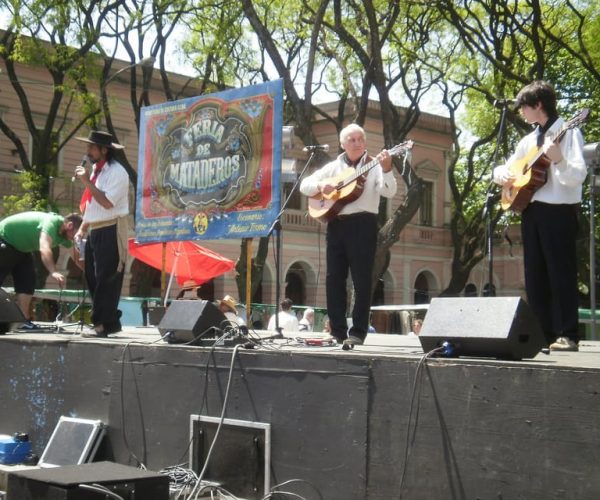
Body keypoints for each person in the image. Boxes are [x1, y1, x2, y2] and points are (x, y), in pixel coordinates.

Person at [492, 80, 587, 352]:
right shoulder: (528, 140)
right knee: (535, 276)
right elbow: (503, 169)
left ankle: (568, 334)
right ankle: (542, 335)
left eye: (524, 106)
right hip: (531, 211)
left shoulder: (569, 133)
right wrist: (503, 175)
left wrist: (559, 159)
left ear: (538, 105)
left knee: (561, 273)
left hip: (558, 211)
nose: (521, 111)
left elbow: (577, 177)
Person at [300, 123, 396, 347]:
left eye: (360, 139)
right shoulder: (333, 167)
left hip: (363, 224)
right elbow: (305, 185)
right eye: (352, 139)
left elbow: (389, 192)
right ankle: (338, 331)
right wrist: (322, 185)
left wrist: (388, 168)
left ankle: (358, 332)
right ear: (342, 144)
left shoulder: (374, 165)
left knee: (362, 280)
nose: (357, 142)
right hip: (336, 224)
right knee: (334, 279)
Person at [73, 130, 130, 337]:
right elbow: (92, 205)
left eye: (92, 147)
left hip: (111, 227)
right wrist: (82, 228)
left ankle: (100, 325)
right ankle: (111, 322)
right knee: (93, 277)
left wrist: (87, 181)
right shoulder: (98, 170)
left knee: (106, 278)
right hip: (96, 229)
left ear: (104, 150)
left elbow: (106, 203)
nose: (88, 151)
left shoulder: (117, 172)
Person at [0, 211, 82, 328]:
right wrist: (53, 271)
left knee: (27, 280)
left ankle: (23, 320)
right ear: (70, 226)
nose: (77, 238)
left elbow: (76, 256)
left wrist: (89, 272)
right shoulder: (51, 223)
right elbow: (44, 248)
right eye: (77, 234)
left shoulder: (64, 237)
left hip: (22, 249)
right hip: (4, 239)